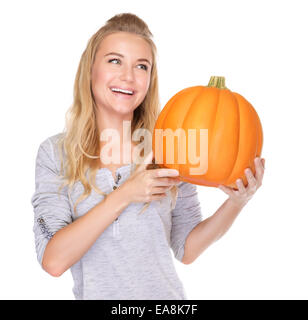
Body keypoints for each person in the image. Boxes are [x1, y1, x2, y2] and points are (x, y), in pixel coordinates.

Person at [31, 13, 265, 300]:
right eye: (114, 60)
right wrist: (125, 194)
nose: (128, 76)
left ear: (149, 80)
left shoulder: (171, 145)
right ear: (90, 69)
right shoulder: (55, 154)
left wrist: (236, 202)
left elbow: (186, 249)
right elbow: (53, 261)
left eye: (141, 66)